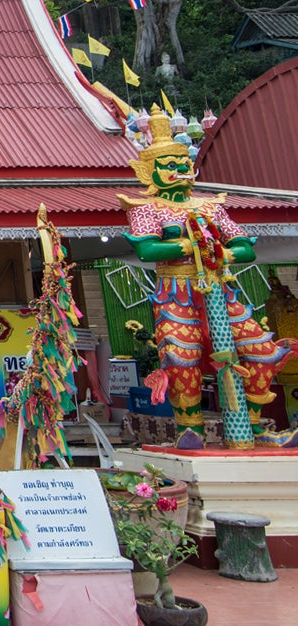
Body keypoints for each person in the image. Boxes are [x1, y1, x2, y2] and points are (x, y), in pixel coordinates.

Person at [120, 106, 294, 448]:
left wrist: (222, 253)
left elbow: (244, 246)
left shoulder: (211, 206)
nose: (180, 170)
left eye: (184, 163)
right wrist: (188, 245)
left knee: (261, 351)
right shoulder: (145, 209)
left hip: (219, 290)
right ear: (147, 171)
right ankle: (191, 429)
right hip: (177, 293)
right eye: (170, 165)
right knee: (180, 357)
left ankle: (254, 428)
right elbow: (147, 249)